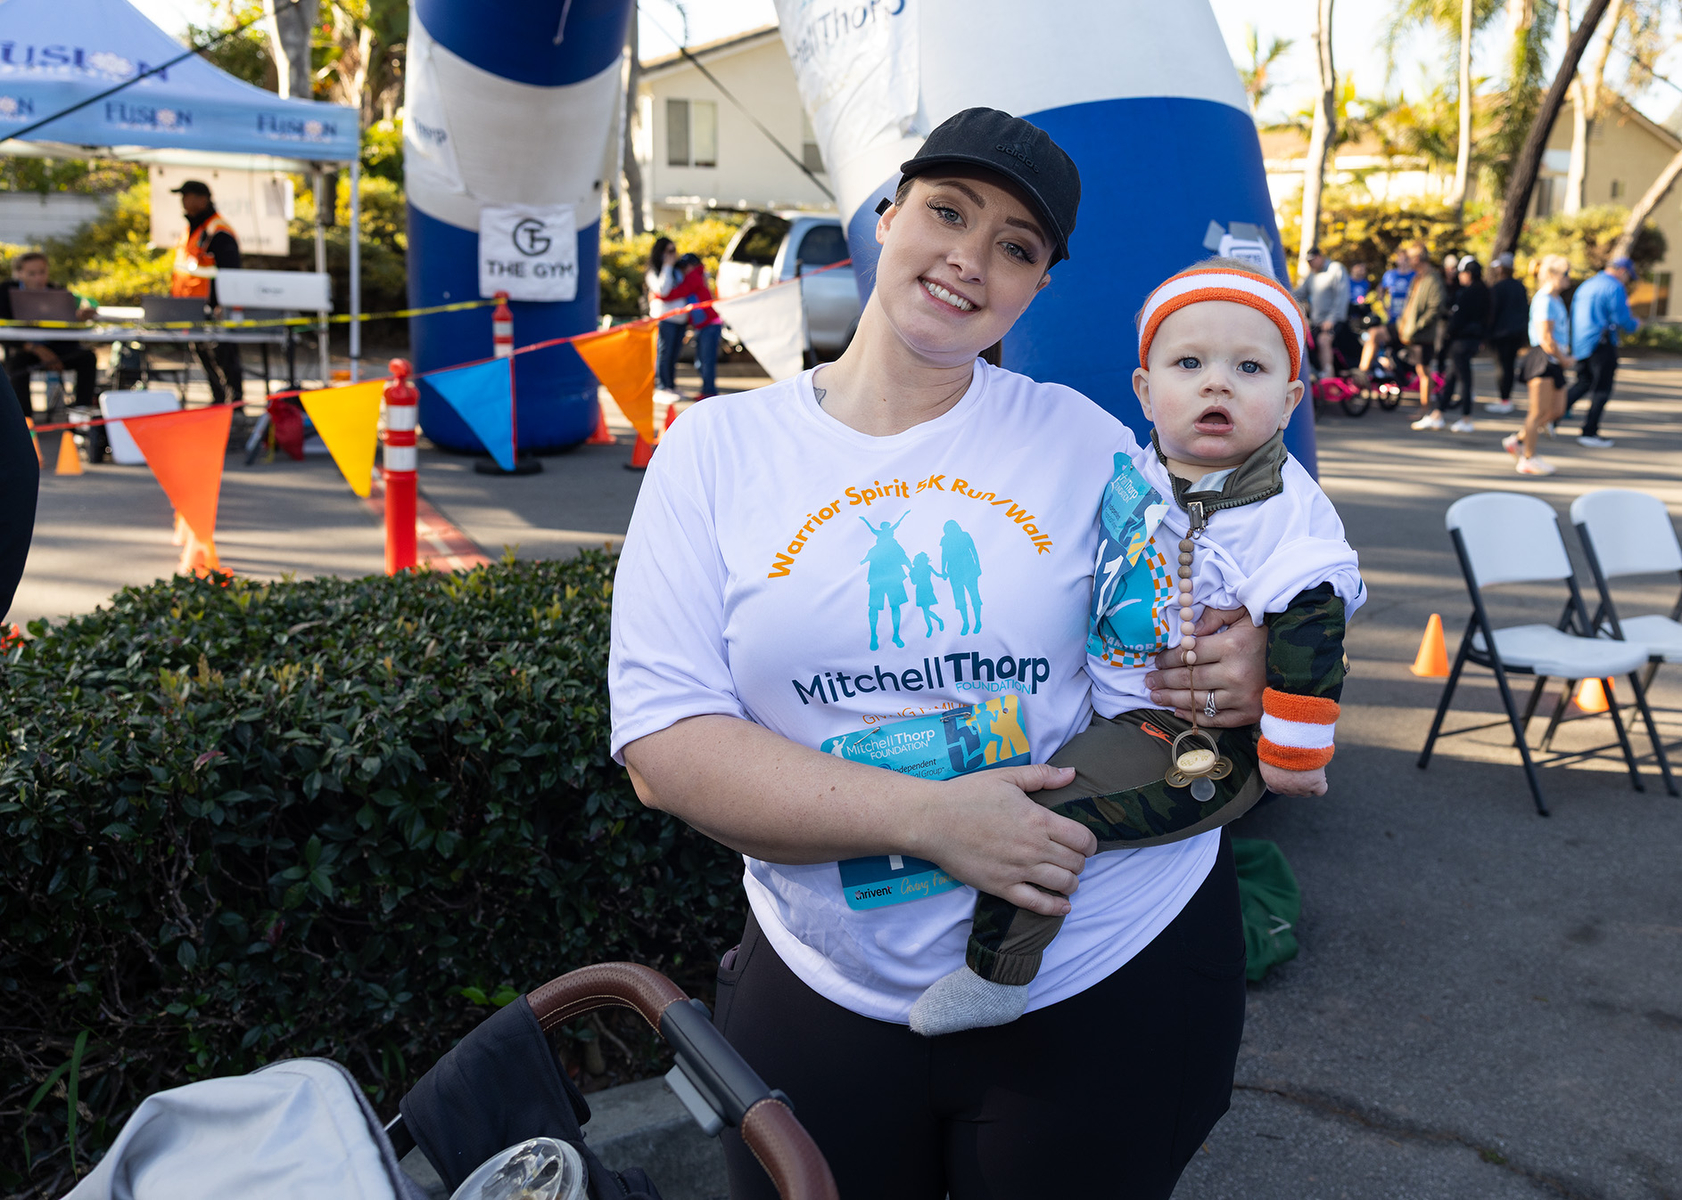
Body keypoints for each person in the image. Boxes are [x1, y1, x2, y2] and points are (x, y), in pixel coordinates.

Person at [610, 107, 1271, 1199]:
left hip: (1100, 955)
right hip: (830, 974)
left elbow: (1178, 653)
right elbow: (664, 743)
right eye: (946, 212)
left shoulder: (1085, 443)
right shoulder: (717, 452)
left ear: (1038, 285)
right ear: (884, 217)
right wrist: (928, 819)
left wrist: (1235, 663)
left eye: (1015, 245)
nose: (969, 258)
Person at [909, 259, 1363, 1036]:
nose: (1216, 384)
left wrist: (1294, 751)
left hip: (1195, 735)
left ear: (1291, 401)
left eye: (1248, 368)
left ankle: (998, 974)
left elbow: (1313, 618)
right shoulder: (1136, 469)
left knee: (1051, 816)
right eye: (1189, 364)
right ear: (1146, 391)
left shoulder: (1286, 509)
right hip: (1107, 701)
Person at [169, 180, 243, 410]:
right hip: (191, 307)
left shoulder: (217, 230)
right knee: (202, 353)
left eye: (188, 196)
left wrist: (222, 304)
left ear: (203, 199)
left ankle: (235, 404)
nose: (183, 201)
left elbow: (229, 271)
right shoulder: (192, 228)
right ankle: (218, 400)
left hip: (213, 309)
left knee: (224, 356)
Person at [0, 251, 99, 418]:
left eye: (42, 272)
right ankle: (24, 420)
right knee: (17, 367)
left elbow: (69, 325)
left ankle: (82, 413)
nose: (38, 278)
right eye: (32, 273)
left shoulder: (57, 291)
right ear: (19, 274)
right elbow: (4, 330)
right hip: (24, 350)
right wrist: (34, 348)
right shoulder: (5, 292)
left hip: (57, 349)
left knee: (87, 358)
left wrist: (78, 317)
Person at [1502, 253, 1573, 476]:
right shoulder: (1543, 300)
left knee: (1556, 410)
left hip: (1555, 360)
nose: (1569, 278)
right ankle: (1528, 458)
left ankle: (1518, 440)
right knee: (1537, 412)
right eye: (1565, 273)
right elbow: (1546, 338)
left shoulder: (1556, 299)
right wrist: (1564, 360)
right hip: (1543, 358)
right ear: (1552, 275)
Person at [1563, 255, 1641, 448]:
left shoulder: (1587, 285)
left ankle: (1550, 418)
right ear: (1622, 272)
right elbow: (1623, 319)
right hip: (1601, 343)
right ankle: (1589, 431)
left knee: (1583, 383)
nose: (1627, 280)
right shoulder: (1614, 287)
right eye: (1628, 276)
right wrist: (1635, 325)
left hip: (1582, 344)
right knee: (1602, 389)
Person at [1413, 256, 1488, 433]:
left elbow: (1458, 319)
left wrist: (1449, 332)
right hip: (1470, 339)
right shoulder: (1483, 291)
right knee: (1451, 377)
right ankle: (1438, 414)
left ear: (1469, 274)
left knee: (1464, 379)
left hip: (1462, 340)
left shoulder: (1469, 293)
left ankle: (1466, 418)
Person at [1397, 244, 1445, 409]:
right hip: (1411, 332)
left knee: (1424, 371)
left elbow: (1435, 307)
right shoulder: (1418, 277)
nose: (1407, 261)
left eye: (1410, 257)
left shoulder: (1432, 279)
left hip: (1423, 335)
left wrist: (1417, 326)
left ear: (1418, 258)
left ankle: (1425, 408)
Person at [671, 252, 724, 400]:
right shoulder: (699, 275)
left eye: (685, 266)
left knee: (705, 361)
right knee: (701, 362)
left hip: (709, 325)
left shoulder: (694, 276)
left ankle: (709, 392)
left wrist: (659, 295)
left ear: (692, 265)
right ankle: (708, 391)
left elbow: (680, 292)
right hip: (705, 326)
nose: (683, 269)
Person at [1484, 252, 1528, 414]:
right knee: (1508, 367)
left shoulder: (1499, 288)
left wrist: (1487, 333)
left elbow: (1492, 313)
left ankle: (1504, 399)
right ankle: (1505, 399)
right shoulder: (1519, 287)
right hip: (1515, 334)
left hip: (1502, 335)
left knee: (1503, 367)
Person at [1292, 246, 1348, 375]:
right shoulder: (1312, 275)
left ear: (1320, 257)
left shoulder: (1336, 269)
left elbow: (1341, 297)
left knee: (1324, 340)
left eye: (1311, 260)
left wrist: (1331, 319)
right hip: (1316, 322)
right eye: (1308, 261)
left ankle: (1327, 375)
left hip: (1334, 321)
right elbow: (1300, 293)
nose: (1309, 263)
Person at [644, 237, 683, 395]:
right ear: (660, 253)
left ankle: (671, 385)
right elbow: (663, 290)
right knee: (664, 353)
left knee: (674, 355)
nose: (673, 254)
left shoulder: (678, 270)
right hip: (664, 318)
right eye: (669, 251)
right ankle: (662, 386)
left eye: (674, 250)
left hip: (681, 319)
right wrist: (667, 267)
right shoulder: (653, 272)